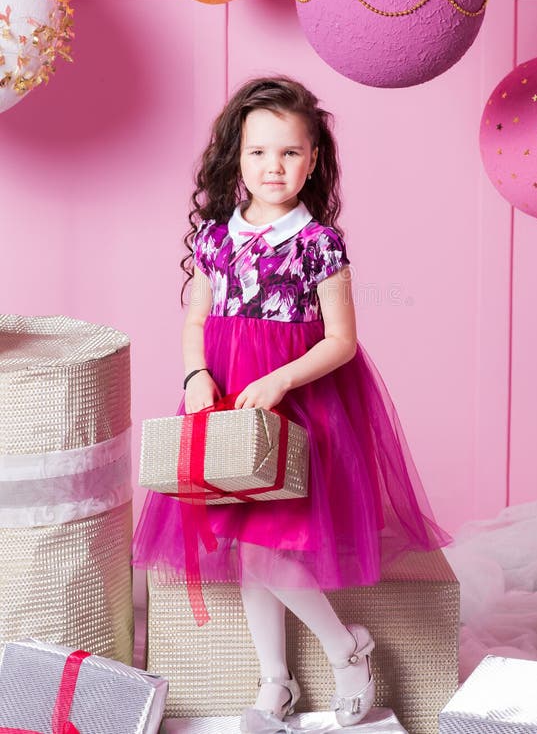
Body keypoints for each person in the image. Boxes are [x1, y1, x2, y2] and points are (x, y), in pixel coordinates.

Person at [133, 76, 450, 733]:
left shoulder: (318, 245)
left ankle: (347, 650)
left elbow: (342, 340)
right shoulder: (217, 239)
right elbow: (196, 318)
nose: (273, 167)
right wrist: (195, 374)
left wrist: (281, 380)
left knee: (271, 547)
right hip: (224, 400)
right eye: (258, 153)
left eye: (289, 153)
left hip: (300, 405)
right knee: (250, 548)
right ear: (235, 158)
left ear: (313, 160)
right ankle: (275, 682)